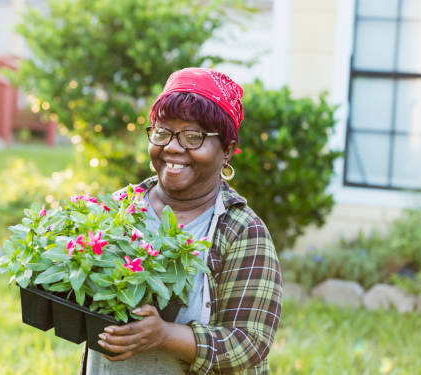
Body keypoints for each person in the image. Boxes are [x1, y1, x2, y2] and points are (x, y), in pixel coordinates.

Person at [83, 67, 282, 374]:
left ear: (227, 151)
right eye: (162, 132)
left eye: (193, 137)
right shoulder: (118, 210)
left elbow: (250, 341)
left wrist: (164, 335)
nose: (173, 147)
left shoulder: (243, 231)